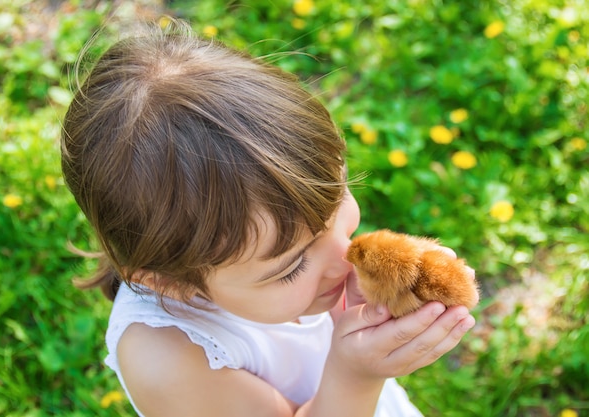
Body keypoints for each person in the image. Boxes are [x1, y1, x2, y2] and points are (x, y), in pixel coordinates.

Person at [61, 18, 476, 417]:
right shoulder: (164, 359)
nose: (344, 256)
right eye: (292, 267)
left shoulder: (270, 248)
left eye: (336, 206)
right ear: (171, 283)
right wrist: (356, 376)